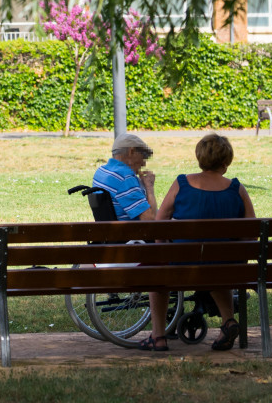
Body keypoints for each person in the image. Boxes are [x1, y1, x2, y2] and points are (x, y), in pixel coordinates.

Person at [138, 133, 256, 352]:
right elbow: (251, 233)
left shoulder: (182, 183)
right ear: (226, 162)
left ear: (200, 158)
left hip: (182, 266)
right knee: (215, 264)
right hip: (227, 268)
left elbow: (159, 223)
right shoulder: (237, 189)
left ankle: (158, 336)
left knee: (155, 272)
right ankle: (228, 321)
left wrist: (164, 250)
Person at [92, 133, 157, 221]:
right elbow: (150, 220)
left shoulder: (101, 172)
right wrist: (149, 188)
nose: (143, 163)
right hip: (131, 232)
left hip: (109, 231)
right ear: (131, 152)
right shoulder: (124, 177)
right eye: (144, 156)